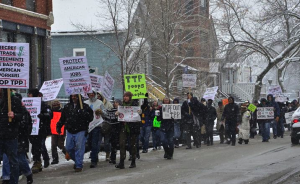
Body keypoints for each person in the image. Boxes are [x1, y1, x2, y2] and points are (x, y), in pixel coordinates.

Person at [1, 92, 33, 184]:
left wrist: (14, 117)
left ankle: (27, 174)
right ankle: (6, 178)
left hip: (17, 137)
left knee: (18, 159)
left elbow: (25, 123)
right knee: (8, 159)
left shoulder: (19, 108)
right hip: (5, 135)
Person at [57, 94, 93, 172]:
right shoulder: (67, 107)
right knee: (69, 148)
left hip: (81, 130)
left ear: (79, 97)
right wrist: (59, 126)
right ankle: (77, 161)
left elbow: (90, 118)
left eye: (75, 96)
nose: (74, 97)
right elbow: (63, 118)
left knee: (79, 148)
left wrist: (84, 113)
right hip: (70, 130)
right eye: (72, 96)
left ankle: (79, 165)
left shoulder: (85, 107)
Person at [0, 89, 23, 184]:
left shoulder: (14, 100)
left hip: (10, 136)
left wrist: (14, 116)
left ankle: (13, 182)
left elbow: (22, 116)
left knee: (13, 161)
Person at [28, 89, 52, 173]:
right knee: (35, 146)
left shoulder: (43, 105)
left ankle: (39, 161)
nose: (28, 95)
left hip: (41, 129)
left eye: (30, 93)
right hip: (32, 129)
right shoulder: (27, 104)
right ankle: (38, 161)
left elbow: (49, 115)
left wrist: (42, 115)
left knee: (39, 145)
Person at [115, 92, 141, 169]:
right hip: (123, 127)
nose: (125, 98)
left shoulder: (135, 105)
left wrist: (139, 112)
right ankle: (122, 162)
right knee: (122, 144)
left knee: (132, 145)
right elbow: (120, 115)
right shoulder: (122, 106)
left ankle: (133, 160)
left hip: (132, 128)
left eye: (126, 96)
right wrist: (117, 113)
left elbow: (138, 115)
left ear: (130, 97)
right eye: (124, 96)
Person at [84, 90, 105, 168]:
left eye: (92, 94)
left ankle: (94, 160)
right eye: (90, 94)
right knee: (89, 144)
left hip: (97, 126)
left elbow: (105, 113)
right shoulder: (85, 103)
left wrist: (101, 112)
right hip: (88, 126)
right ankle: (94, 156)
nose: (91, 95)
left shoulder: (100, 103)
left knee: (94, 144)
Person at [96, 92, 113, 161]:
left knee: (107, 142)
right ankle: (95, 155)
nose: (98, 96)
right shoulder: (95, 103)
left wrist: (103, 113)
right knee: (97, 142)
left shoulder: (108, 104)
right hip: (98, 125)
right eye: (97, 95)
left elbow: (110, 114)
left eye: (99, 95)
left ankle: (108, 154)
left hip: (107, 125)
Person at [50, 100, 66, 165]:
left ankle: (68, 154)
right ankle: (55, 159)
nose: (55, 106)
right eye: (54, 105)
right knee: (54, 145)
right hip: (54, 130)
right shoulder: (51, 111)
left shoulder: (62, 111)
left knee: (60, 145)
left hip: (60, 130)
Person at [107, 99, 121, 164]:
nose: (115, 103)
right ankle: (113, 158)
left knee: (119, 144)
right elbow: (106, 115)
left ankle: (120, 157)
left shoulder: (122, 110)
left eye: (117, 102)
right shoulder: (112, 110)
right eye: (115, 102)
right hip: (113, 129)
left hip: (120, 128)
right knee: (113, 144)